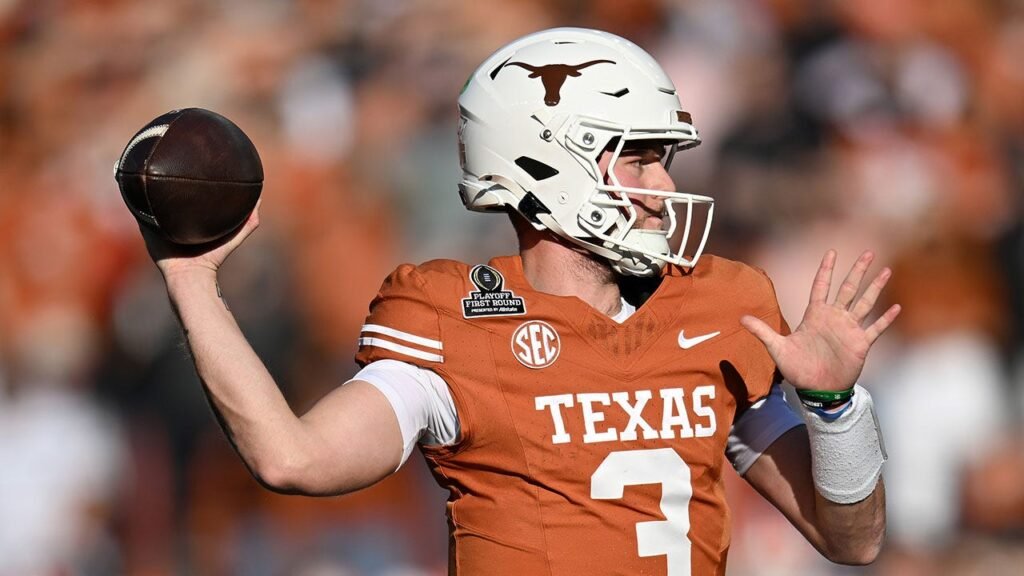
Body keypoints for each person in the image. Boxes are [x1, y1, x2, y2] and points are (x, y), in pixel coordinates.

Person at [140, 28, 899, 575]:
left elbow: (852, 539)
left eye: (662, 160)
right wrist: (190, 280)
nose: (664, 186)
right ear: (546, 163)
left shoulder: (719, 307)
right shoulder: (450, 315)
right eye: (638, 159)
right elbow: (292, 458)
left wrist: (833, 407)